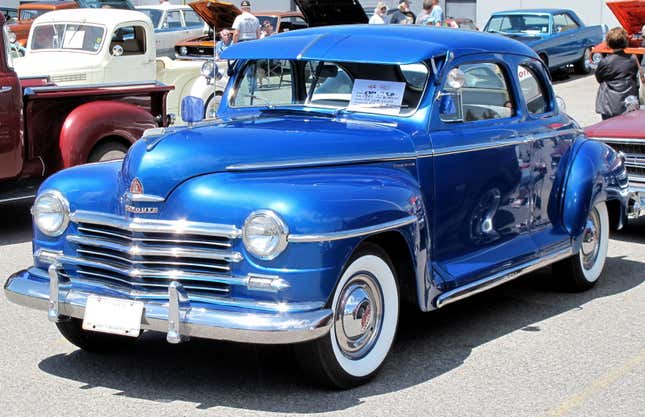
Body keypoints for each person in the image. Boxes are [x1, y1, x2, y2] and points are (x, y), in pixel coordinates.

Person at [595, 27, 640, 119]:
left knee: (609, 131)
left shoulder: (605, 62)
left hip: (609, 104)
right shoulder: (632, 58)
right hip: (629, 102)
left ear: (609, 42)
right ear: (625, 41)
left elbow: (599, 78)